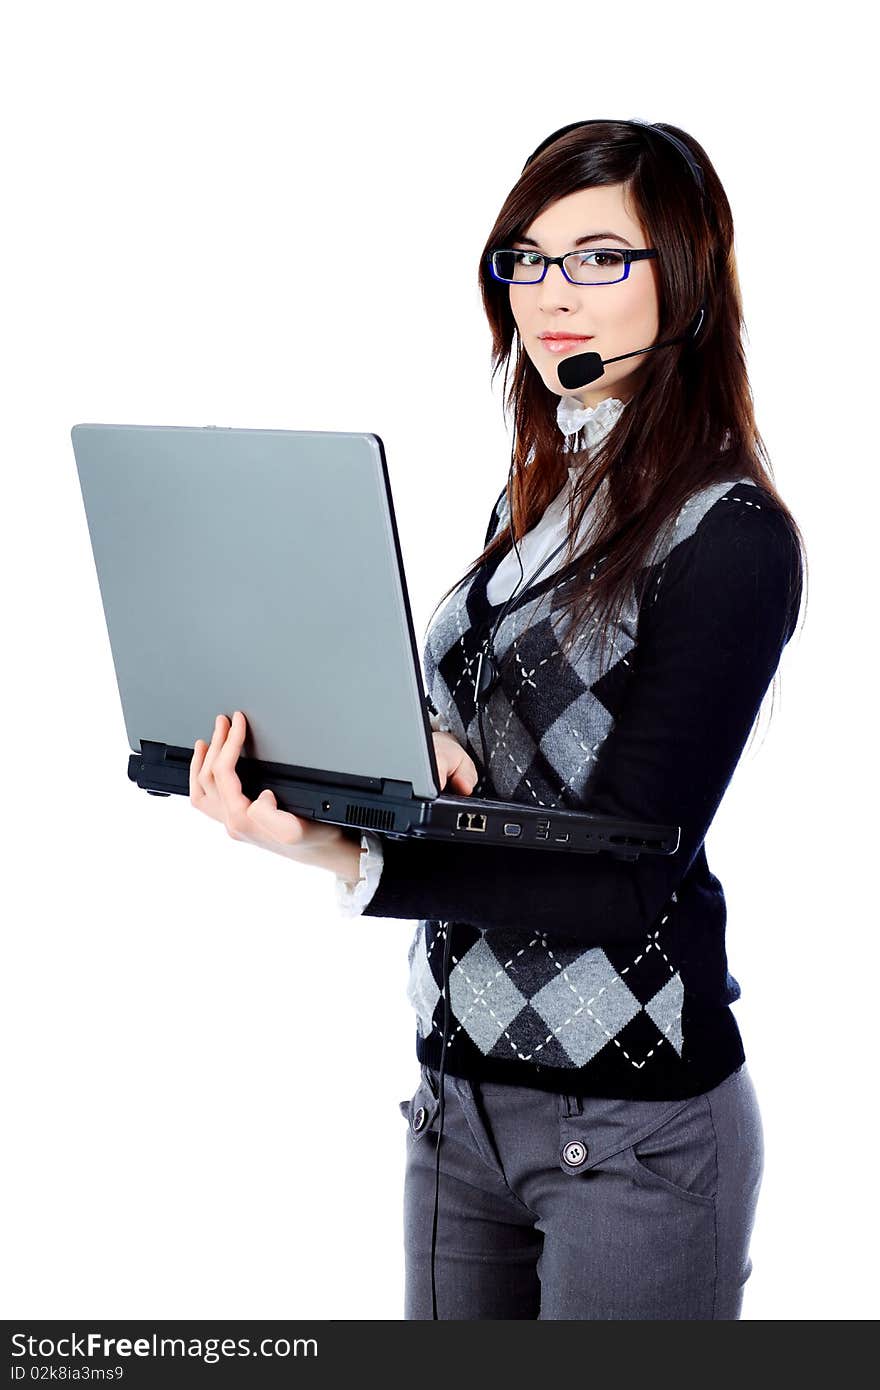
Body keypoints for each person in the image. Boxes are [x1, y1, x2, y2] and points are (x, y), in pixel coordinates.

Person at [188, 119, 807, 1320]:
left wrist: (348, 851)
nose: (548, 294)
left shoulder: (730, 539)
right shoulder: (543, 493)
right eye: (524, 259)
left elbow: (627, 877)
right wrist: (391, 749)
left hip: (629, 1127)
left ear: (683, 276)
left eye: (595, 257)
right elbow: (492, 731)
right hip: (455, 1099)